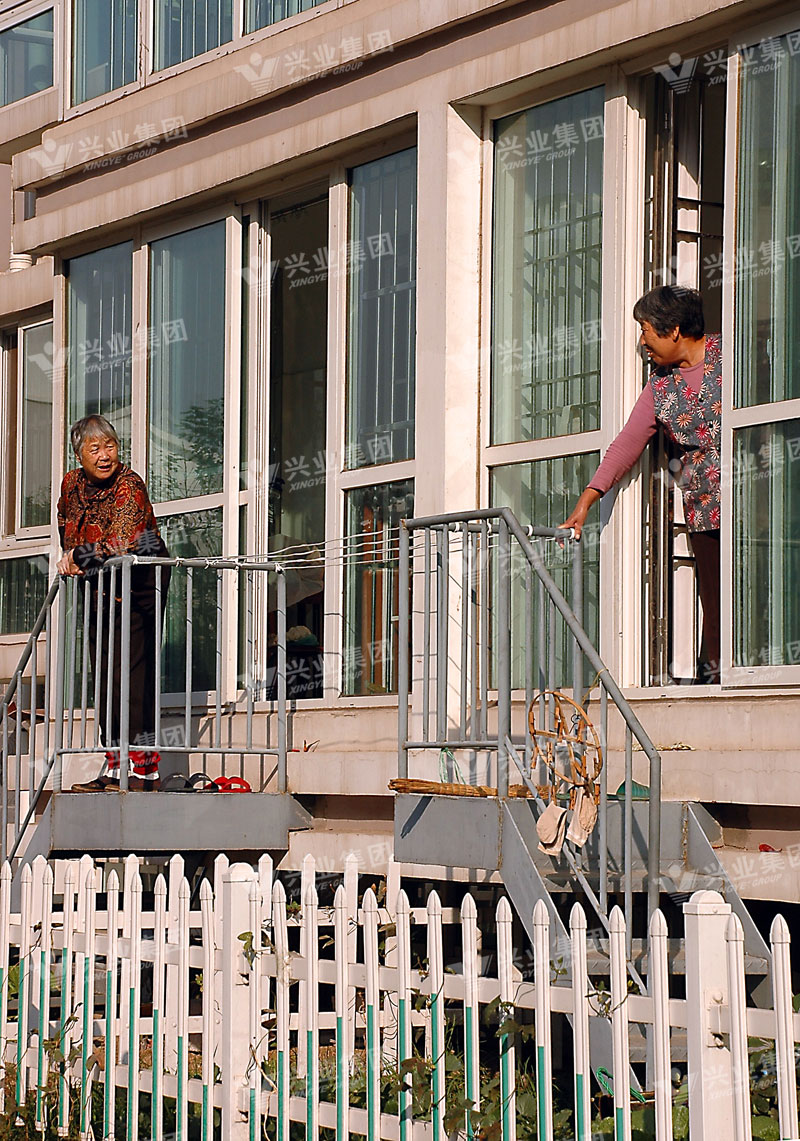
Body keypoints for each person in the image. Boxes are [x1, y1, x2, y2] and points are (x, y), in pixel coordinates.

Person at [563, 286, 721, 683]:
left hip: (760, 498)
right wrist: (587, 500)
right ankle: (716, 682)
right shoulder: (660, 386)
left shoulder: (733, 358)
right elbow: (625, 446)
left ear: (674, 330)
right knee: (718, 605)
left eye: (646, 329)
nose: (642, 340)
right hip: (707, 511)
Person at [56, 415, 170, 789]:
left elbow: (122, 540)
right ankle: (115, 766)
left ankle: (145, 771)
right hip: (100, 583)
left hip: (139, 583)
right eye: (95, 448)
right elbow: (65, 524)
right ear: (79, 455)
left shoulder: (129, 484)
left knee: (132, 674)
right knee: (105, 674)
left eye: (110, 446)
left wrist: (78, 556)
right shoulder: (71, 484)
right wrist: (73, 556)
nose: (105, 455)